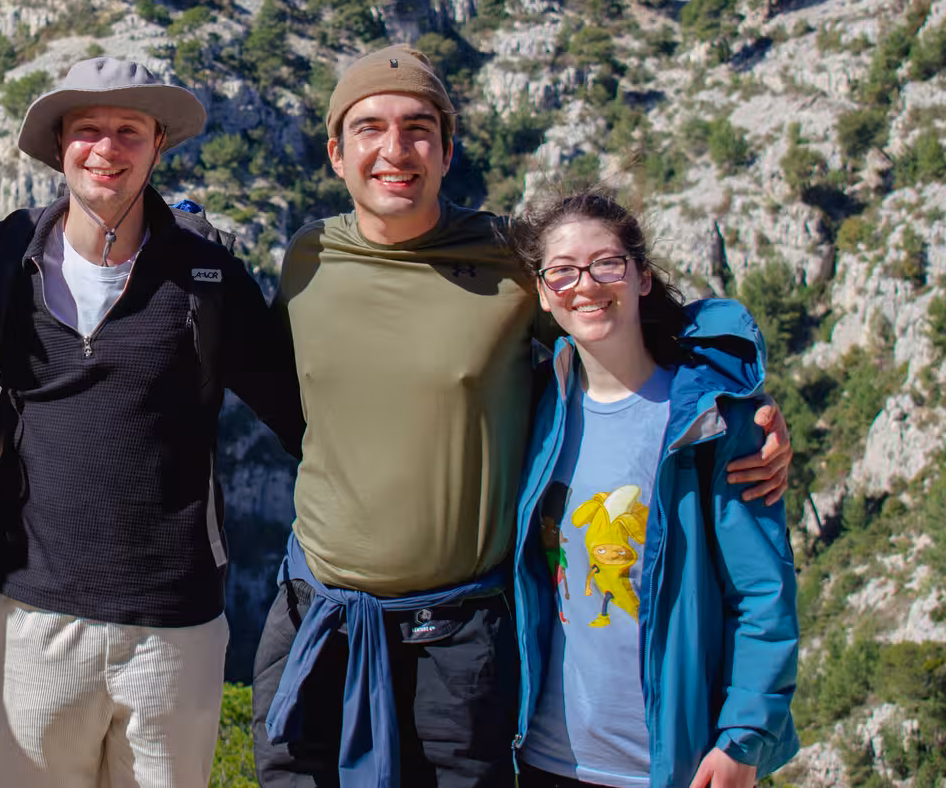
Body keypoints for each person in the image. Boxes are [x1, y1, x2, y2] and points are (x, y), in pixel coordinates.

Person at [253, 44, 793, 788]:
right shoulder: (307, 258)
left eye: (418, 128)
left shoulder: (510, 265)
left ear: (446, 151)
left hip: (460, 639)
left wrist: (746, 405)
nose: (394, 149)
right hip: (320, 620)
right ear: (336, 154)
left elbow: (632, 325)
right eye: (369, 128)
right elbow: (284, 396)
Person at [0, 56, 305, 787]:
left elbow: (296, 411)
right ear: (60, 146)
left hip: (175, 626)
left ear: (158, 145)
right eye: (89, 130)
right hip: (35, 615)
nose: (107, 148)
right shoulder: (8, 256)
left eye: (129, 131)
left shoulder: (205, 270)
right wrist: (7, 443)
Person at [507, 187, 798, 788]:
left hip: (669, 765)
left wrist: (743, 740)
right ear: (542, 292)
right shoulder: (535, 408)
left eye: (607, 263)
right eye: (561, 272)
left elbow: (762, 594)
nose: (585, 285)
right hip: (544, 757)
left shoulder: (708, 423)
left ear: (641, 277)